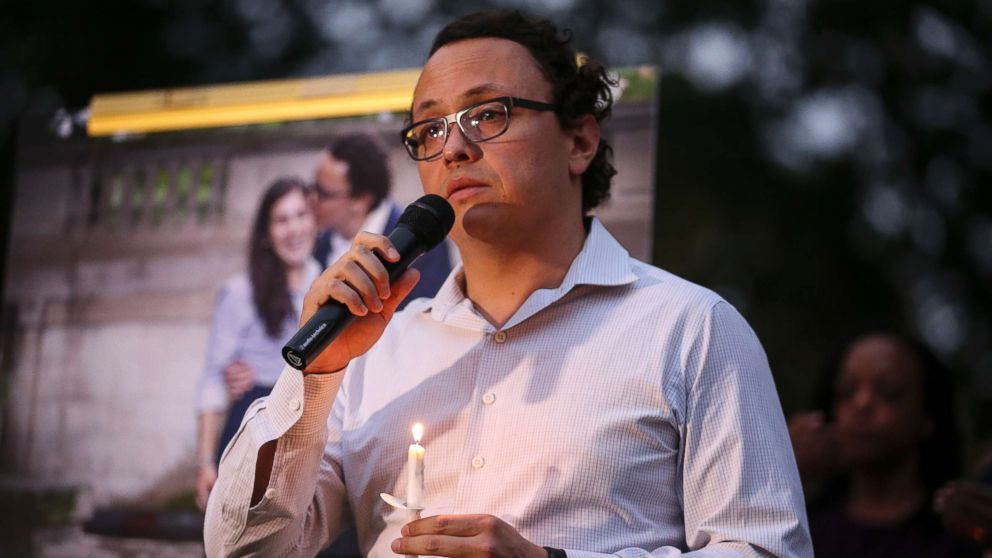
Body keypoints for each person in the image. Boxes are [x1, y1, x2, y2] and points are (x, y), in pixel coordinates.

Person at [204, 9, 812, 557]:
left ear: (578, 142)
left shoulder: (690, 328)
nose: (455, 149)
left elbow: (765, 550)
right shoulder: (371, 351)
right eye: (430, 129)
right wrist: (312, 381)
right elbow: (244, 551)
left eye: (488, 114)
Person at [789, 329, 984, 557]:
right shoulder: (803, 529)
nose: (862, 404)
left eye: (888, 391)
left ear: (927, 415)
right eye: (847, 391)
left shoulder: (962, 533)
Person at [194, 177, 320, 511]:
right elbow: (212, 379)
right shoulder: (240, 293)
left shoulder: (327, 281)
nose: (293, 229)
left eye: (300, 215)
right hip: (253, 426)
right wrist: (205, 462)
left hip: (309, 427)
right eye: (281, 220)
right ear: (266, 233)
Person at [310, 132, 452, 308]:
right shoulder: (317, 244)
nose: (311, 199)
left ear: (361, 200)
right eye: (312, 187)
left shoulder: (420, 242)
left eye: (323, 193)